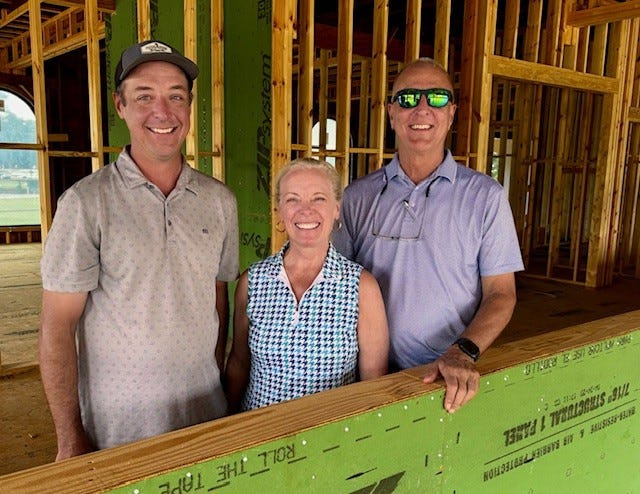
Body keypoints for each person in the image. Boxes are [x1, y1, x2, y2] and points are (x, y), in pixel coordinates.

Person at [39, 40, 239, 459]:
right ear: (120, 105)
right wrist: (68, 436)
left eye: (175, 97)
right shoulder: (85, 203)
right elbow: (58, 327)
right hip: (117, 434)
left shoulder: (220, 200)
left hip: (205, 420)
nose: (162, 112)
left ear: (189, 107)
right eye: (144, 96)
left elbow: (217, 301)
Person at [333, 58, 524, 413]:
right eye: (407, 99)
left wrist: (462, 351)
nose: (421, 108)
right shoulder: (358, 197)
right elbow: (336, 286)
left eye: (436, 98)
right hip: (371, 377)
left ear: (451, 113)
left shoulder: (485, 197)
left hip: (448, 376)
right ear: (391, 113)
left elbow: (501, 294)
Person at [225, 158, 388, 412]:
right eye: (292, 199)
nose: (305, 210)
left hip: (328, 440)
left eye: (318, 198)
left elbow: (373, 383)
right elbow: (238, 364)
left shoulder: (361, 287)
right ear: (279, 209)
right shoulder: (252, 281)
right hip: (257, 437)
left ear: (336, 208)